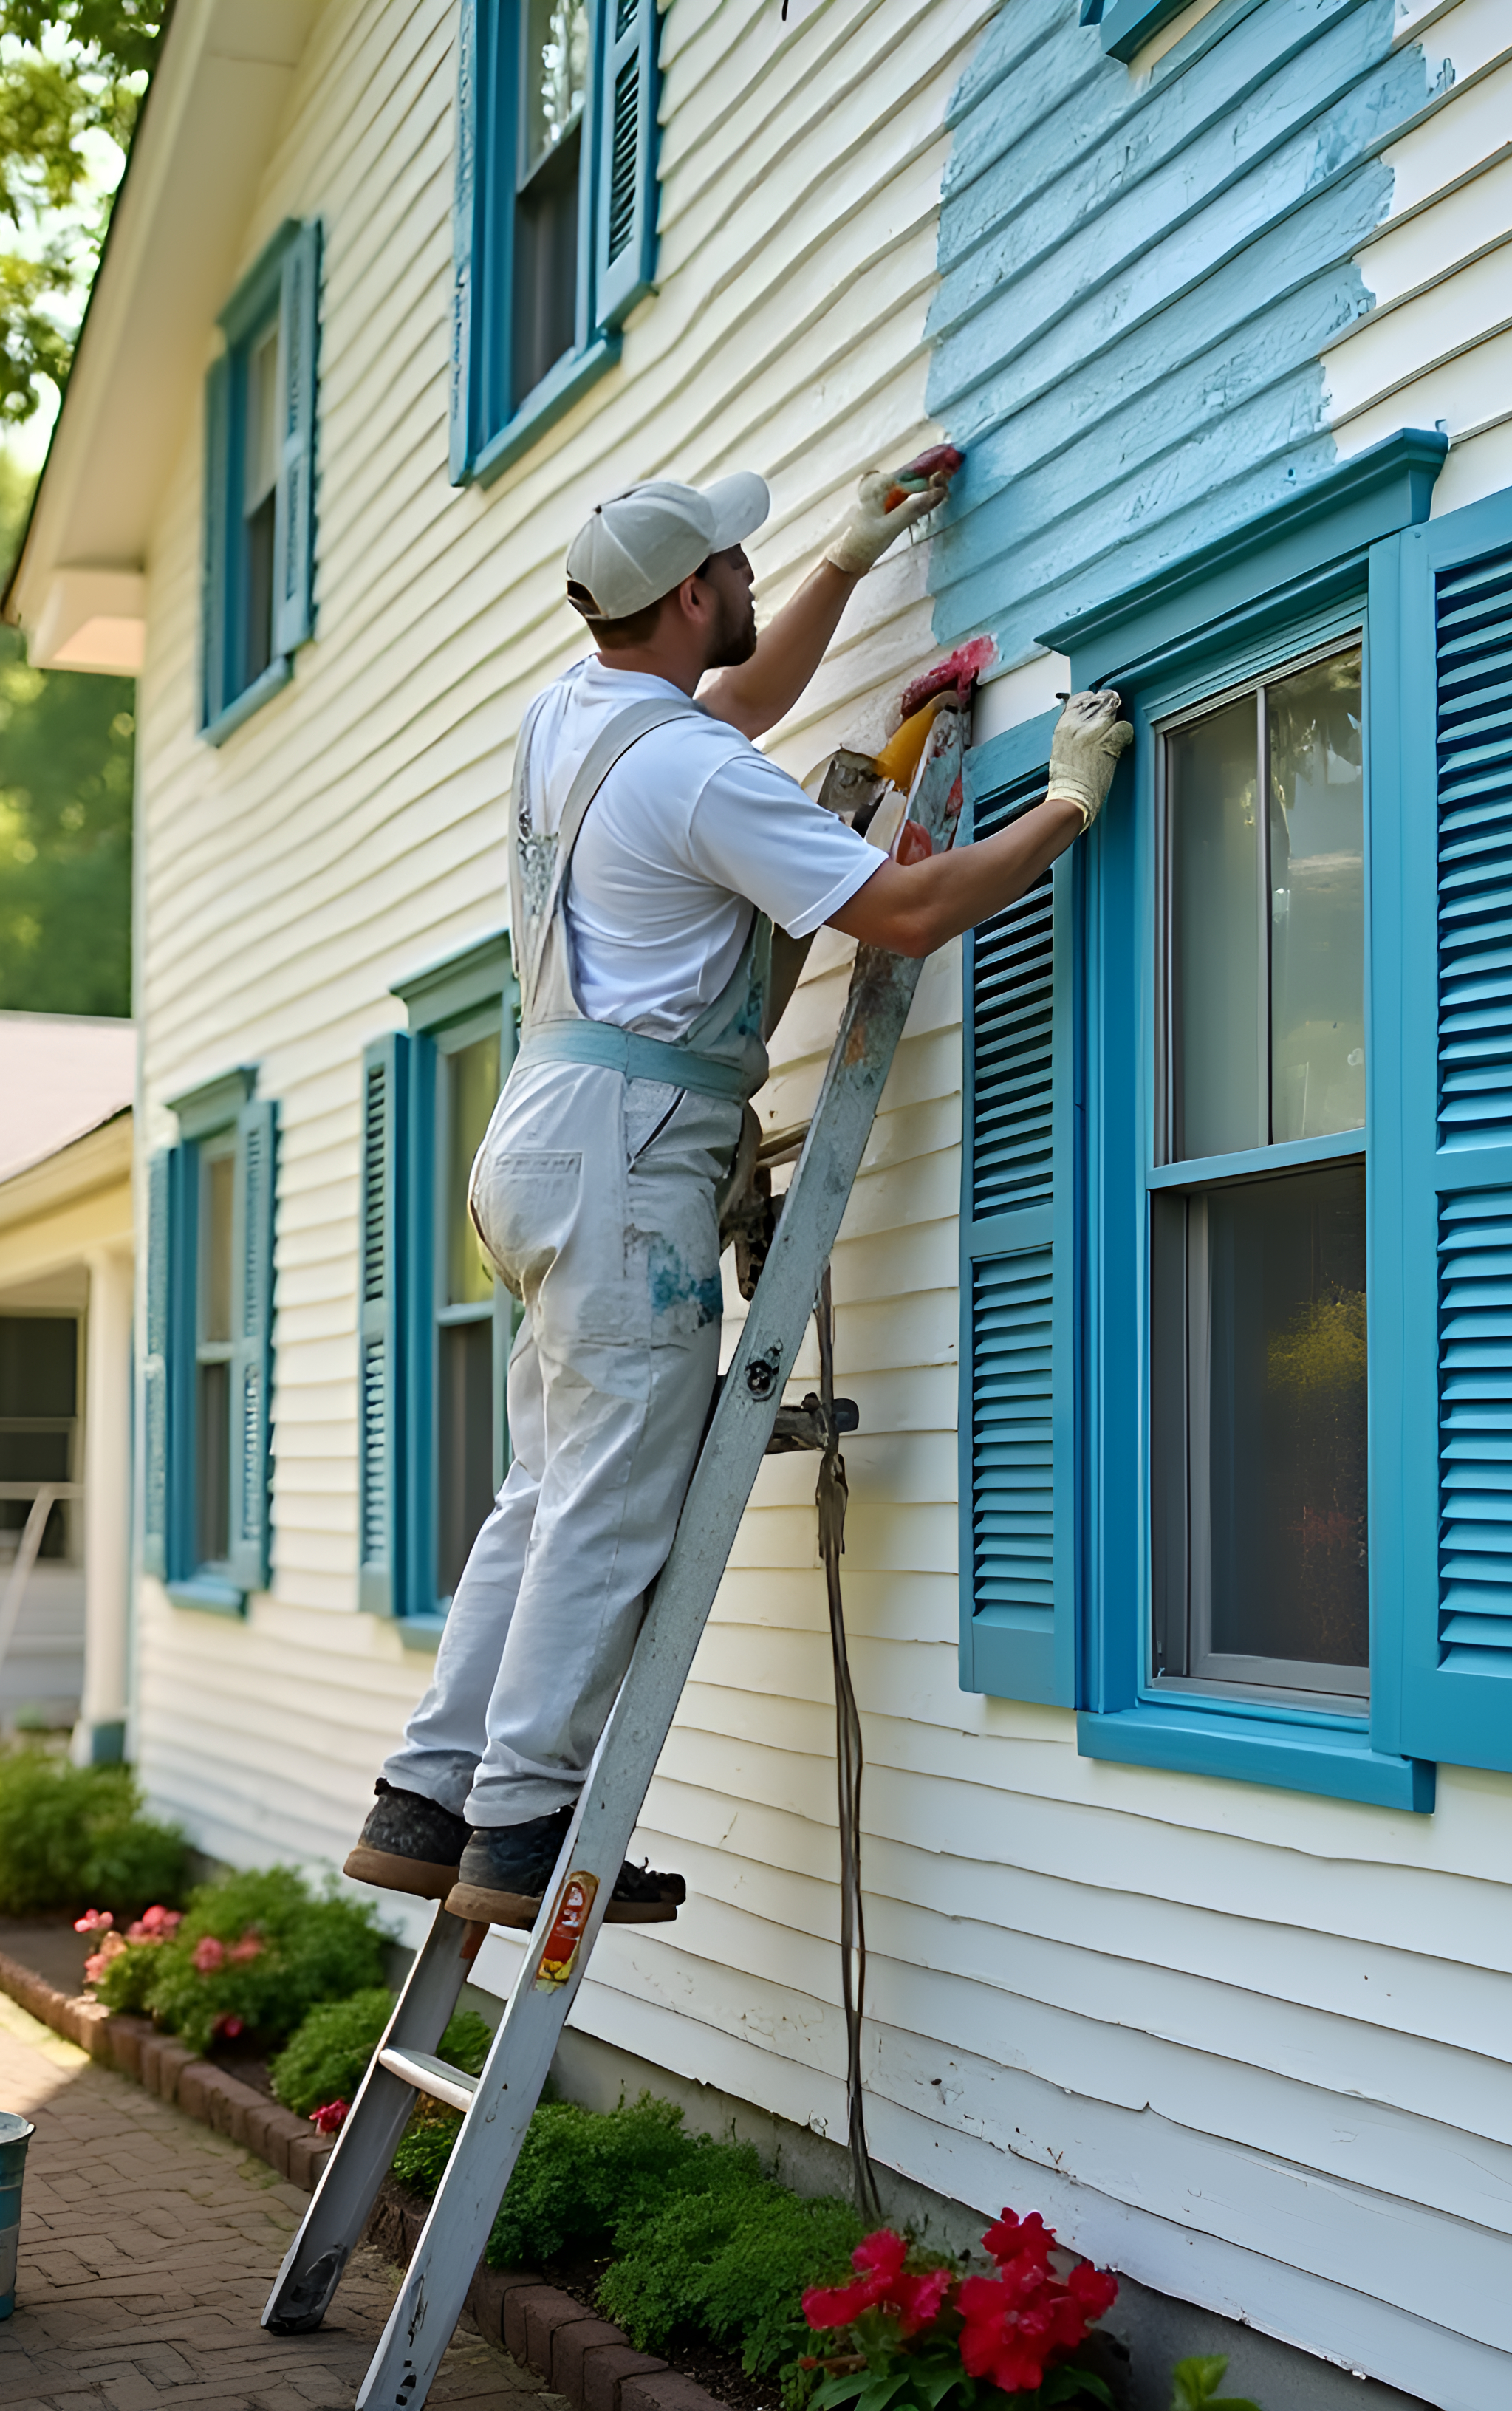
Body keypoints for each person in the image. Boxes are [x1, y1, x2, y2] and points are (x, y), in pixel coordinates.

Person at [348, 454, 1131, 1929]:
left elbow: (740, 702)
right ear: (693, 594)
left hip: (546, 1135)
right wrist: (1067, 811)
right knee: (612, 1501)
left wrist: (845, 558)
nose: (755, 581)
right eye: (743, 567)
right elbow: (899, 909)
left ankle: (427, 1796)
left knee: (542, 1492)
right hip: (630, 1153)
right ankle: (521, 1823)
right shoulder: (690, 771)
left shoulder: (573, 721)